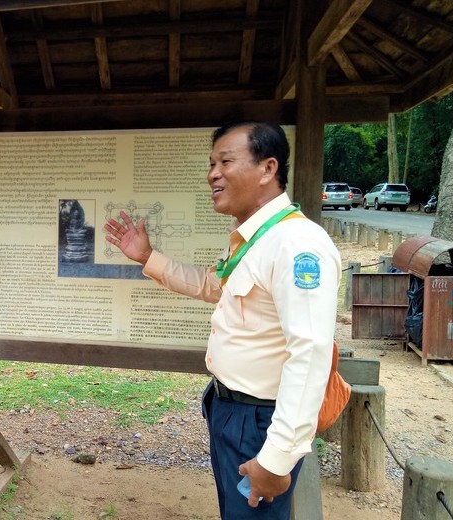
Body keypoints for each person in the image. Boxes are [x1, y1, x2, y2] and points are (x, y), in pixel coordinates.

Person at [104, 121, 340, 519]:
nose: (213, 173)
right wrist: (149, 258)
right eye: (212, 163)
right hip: (230, 408)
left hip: (261, 421)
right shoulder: (256, 239)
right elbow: (214, 285)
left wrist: (277, 458)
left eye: (226, 161)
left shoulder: (297, 244)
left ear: (268, 168)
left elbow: (311, 353)